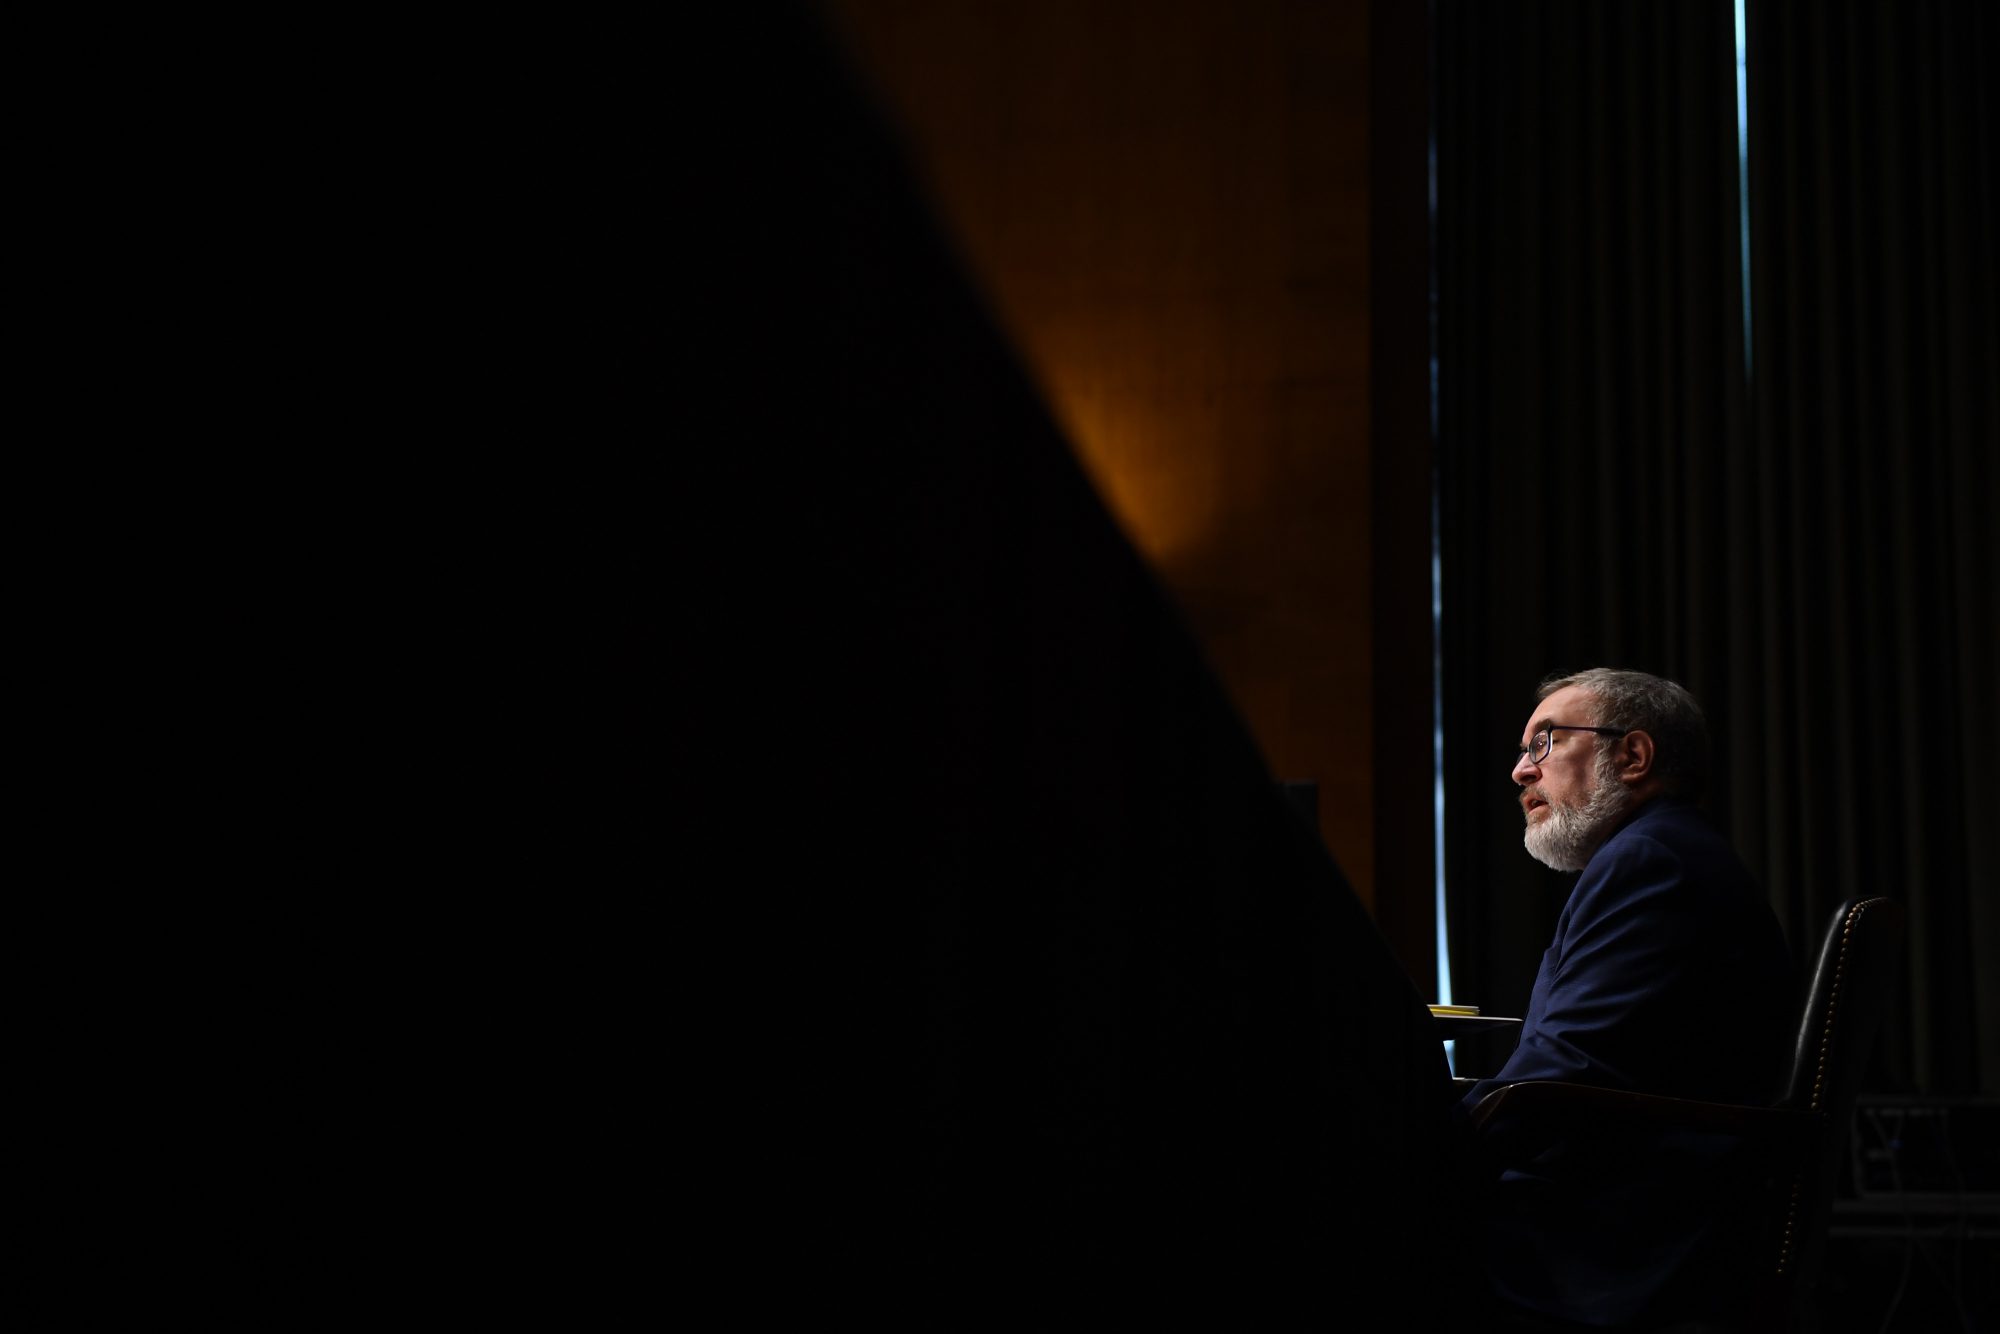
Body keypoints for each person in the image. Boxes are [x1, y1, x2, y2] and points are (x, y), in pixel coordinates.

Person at [1463, 668, 1796, 1328]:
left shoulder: (1651, 860)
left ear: (1633, 756)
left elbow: (1565, 1072)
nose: (1519, 772)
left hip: (1618, 1247)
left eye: (1544, 743)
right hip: (1633, 1221)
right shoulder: (1661, 852)